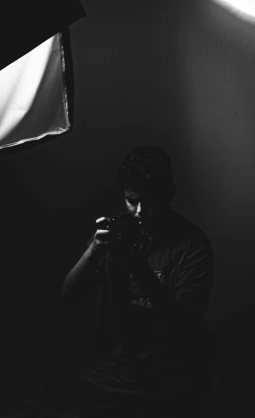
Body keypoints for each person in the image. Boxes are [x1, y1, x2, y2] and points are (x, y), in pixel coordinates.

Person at [62, 146, 215, 418]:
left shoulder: (193, 246)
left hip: (166, 393)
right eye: (131, 200)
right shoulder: (118, 232)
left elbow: (183, 326)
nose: (140, 211)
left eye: (151, 201)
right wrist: (94, 249)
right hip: (106, 385)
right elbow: (70, 297)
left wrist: (139, 267)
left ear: (170, 195)